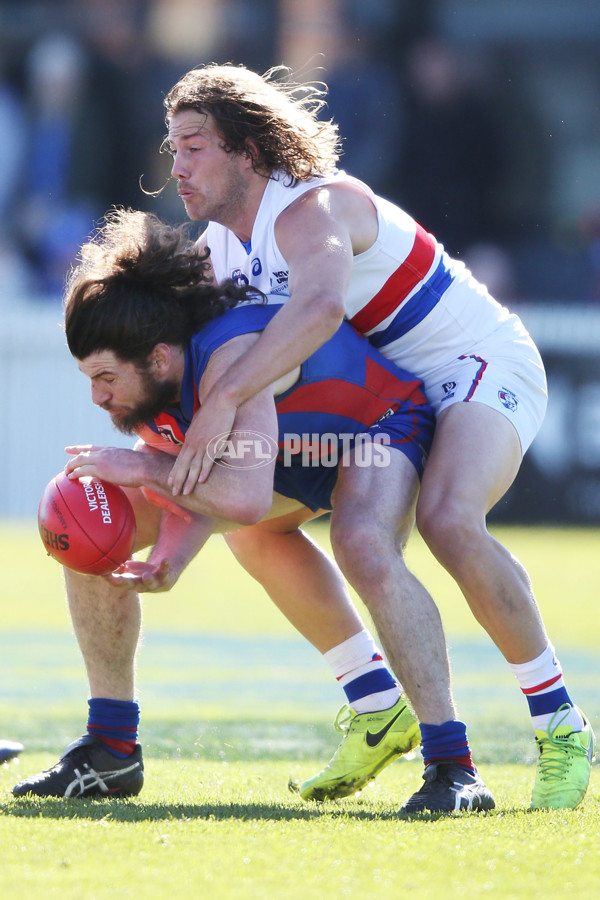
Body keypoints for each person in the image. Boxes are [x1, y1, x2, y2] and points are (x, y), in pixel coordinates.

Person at [159, 63, 595, 811]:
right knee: (253, 527)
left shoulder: (312, 207)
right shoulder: (219, 248)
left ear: (249, 153)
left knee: (450, 521)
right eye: (172, 147)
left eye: (194, 144)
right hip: (387, 406)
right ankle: (376, 706)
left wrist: (225, 397)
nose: (177, 164)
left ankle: (560, 728)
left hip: (477, 364)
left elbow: (322, 308)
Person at [13, 210, 493, 814]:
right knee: (85, 516)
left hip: (375, 427)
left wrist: (137, 467)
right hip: (279, 455)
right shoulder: (160, 385)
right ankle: (112, 746)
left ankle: (454, 765)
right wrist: (167, 559)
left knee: (362, 544)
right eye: (89, 378)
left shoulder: (226, 351)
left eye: (106, 377)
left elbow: (237, 496)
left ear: (159, 358)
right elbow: (192, 481)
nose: (97, 397)